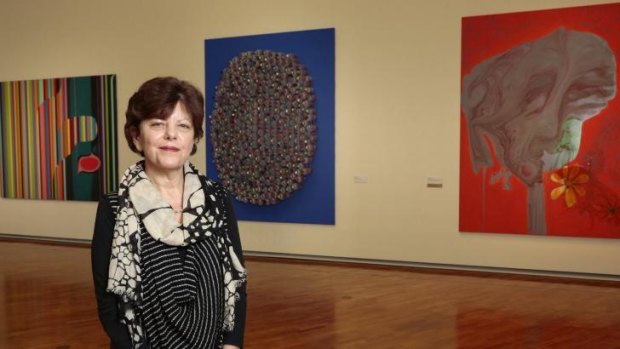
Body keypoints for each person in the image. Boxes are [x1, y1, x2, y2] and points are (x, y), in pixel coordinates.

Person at [92, 77, 247, 349]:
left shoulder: (217, 198)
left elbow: (236, 281)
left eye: (183, 126)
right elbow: (109, 303)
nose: (171, 135)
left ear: (194, 138)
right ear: (137, 136)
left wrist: (232, 344)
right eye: (158, 124)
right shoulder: (115, 208)